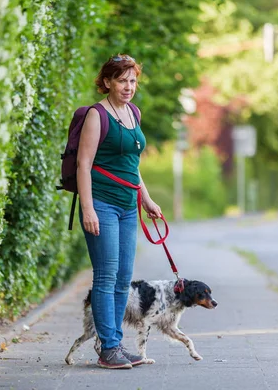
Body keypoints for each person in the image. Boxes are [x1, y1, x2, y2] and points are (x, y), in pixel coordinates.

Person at [76, 54, 162, 369]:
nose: (128, 87)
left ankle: (114, 345)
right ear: (108, 82)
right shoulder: (97, 116)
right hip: (101, 203)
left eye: (133, 80)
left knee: (123, 278)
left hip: (128, 206)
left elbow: (132, 166)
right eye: (122, 80)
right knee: (106, 276)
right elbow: (83, 164)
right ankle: (109, 347)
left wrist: (146, 199)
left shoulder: (133, 113)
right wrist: (88, 209)